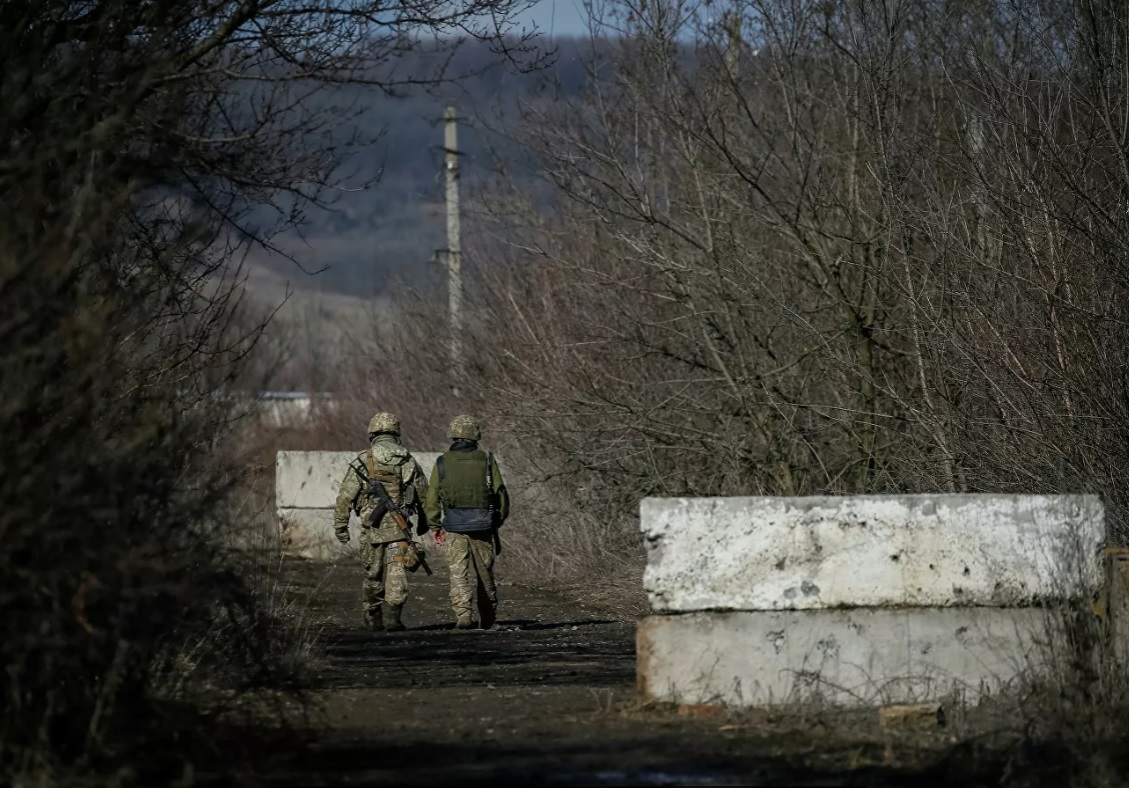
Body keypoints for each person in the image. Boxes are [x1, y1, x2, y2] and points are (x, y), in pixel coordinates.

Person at [332, 412, 429, 632]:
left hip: (371, 530)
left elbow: (345, 497)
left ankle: (373, 618)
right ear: (396, 433)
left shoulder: (363, 460)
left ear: (373, 433)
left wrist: (341, 527)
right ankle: (393, 619)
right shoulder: (407, 460)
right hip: (399, 528)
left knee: (372, 574)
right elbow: (424, 495)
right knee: (397, 571)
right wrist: (427, 523)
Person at [424, 415, 510, 630]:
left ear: (453, 436)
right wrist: (496, 520)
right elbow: (500, 493)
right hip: (483, 525)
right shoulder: (488, 460)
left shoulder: (442, 462)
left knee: (458, 572)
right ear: (475, 436)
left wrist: (434, 525)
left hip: (453, 526)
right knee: (485, 573)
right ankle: (488, 619)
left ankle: (463, 617)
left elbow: (432, 496)